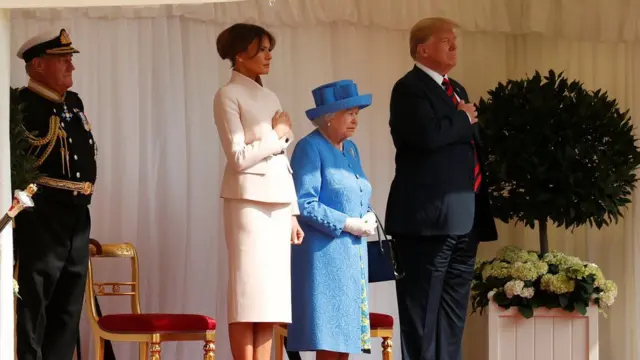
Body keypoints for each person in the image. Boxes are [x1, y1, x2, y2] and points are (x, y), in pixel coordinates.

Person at [384, 17, 499, 360]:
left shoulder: (458, 89)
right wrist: (463, 119)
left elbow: (470, 143)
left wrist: (468, 121)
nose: (453, 46)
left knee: (452, 314)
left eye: (454, 41)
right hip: (427, 221)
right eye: (445, 40)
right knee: (421, 313)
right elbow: (426, 137)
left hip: (466, 217)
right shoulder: (408, 88)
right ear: (423, 49)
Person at [214, 23, 305, 360]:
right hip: (248, 202)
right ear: (240, 54)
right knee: (246, 294)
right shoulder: (227, 95)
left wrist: (293, 211)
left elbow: (281, 158)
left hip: (279, 203)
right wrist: (278, 133)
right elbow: (238, 157)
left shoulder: (270, 96)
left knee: (271, 298)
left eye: (270, 49)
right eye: (261, 49)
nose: (268, 56)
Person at [13, 28, 98, 360]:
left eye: (71, 59)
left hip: (77, 217)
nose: (70, 66)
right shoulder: (21, 105)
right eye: (62, 59)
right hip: (42, 217)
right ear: (37, 65)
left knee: (68, 307)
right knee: (35, 304)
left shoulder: (73, 103)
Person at [287, 80, 377, 360]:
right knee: (330, 336)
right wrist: (347, 223)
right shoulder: (309, 148)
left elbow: (357, 190)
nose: (355, 120)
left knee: (346, 341)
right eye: (348, 113)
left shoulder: (350, 149)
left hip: (352, 257)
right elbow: (305, 202)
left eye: (357, 114)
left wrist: (368, 214)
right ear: (328, 117)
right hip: (324, 257)